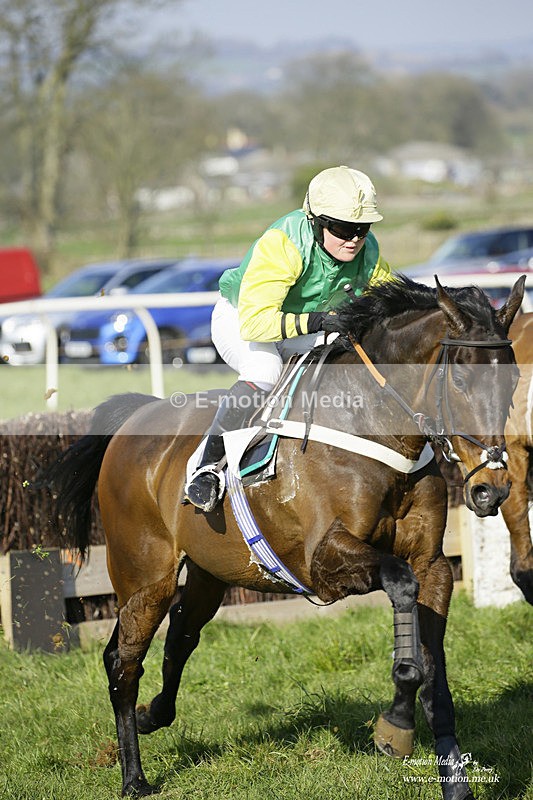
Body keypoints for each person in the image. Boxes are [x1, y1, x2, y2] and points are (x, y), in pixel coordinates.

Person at [185, 165, 391, 511]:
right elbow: (255, 324)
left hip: (305, 325)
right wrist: (318, 321)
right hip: (240, 318)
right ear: (316, 221)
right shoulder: (284, 243)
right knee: (265, 370)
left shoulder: (367, 250)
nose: (354, 238)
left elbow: (389, 303)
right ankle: (205, 467)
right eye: (342, 228)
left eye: (362, 227)